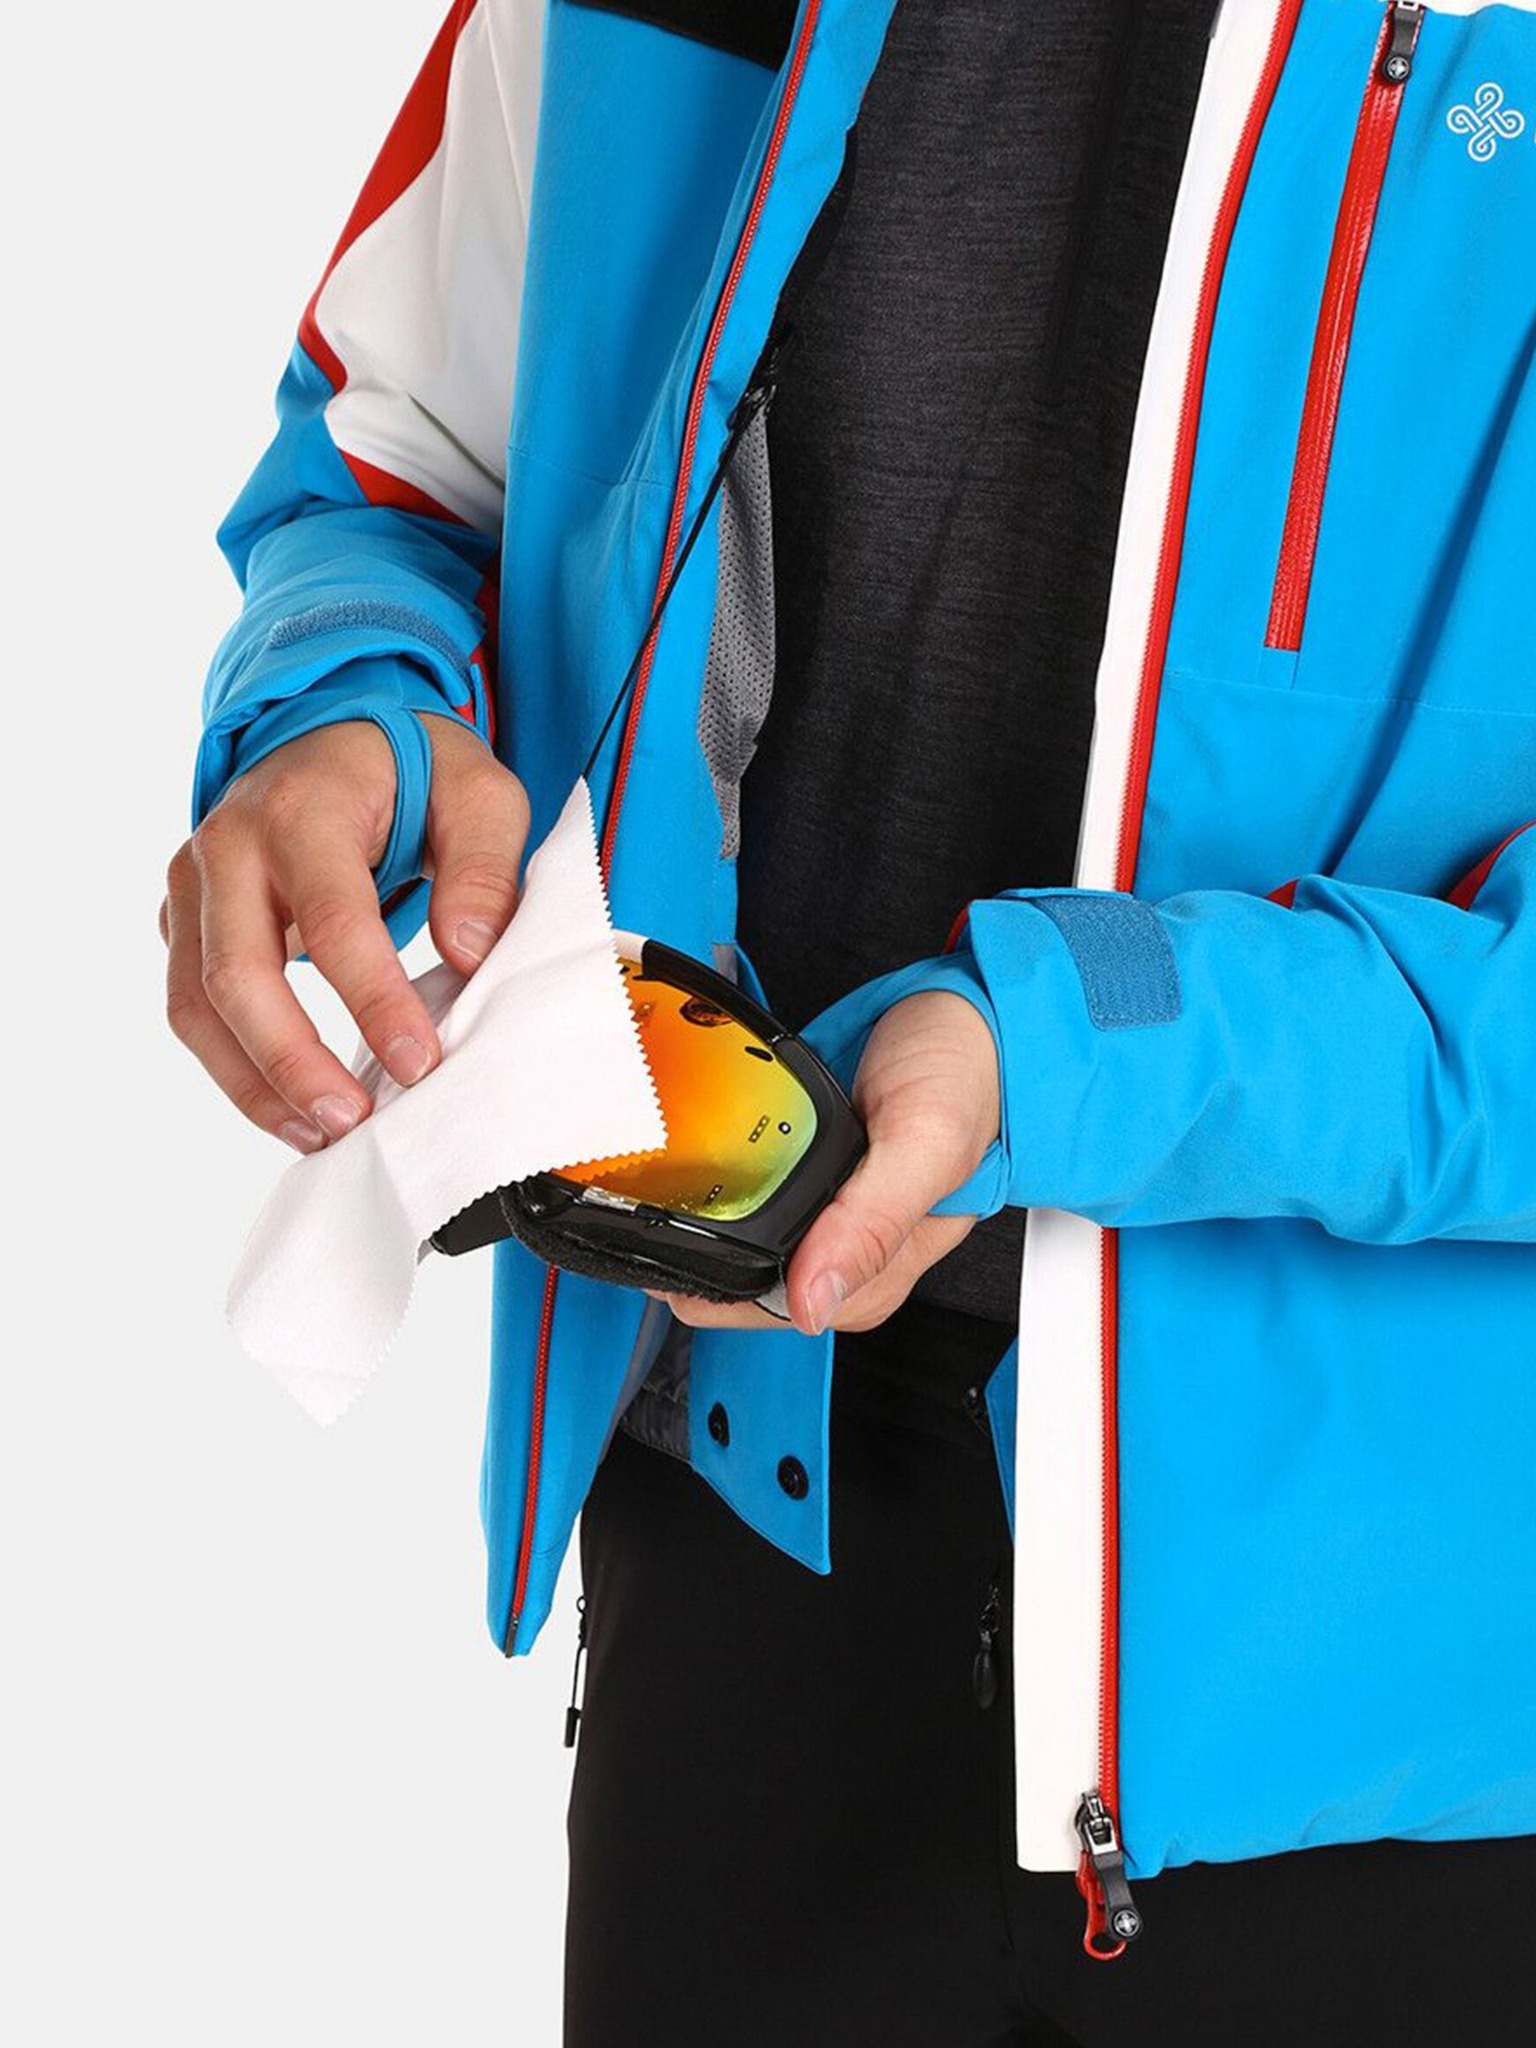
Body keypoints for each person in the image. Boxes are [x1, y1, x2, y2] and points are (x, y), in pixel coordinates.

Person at [164, 1, 1536, 2041]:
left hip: (1391, 1707)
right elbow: (402, 454)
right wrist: (341, 707)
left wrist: (1070, 1050)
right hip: (738, 1542)